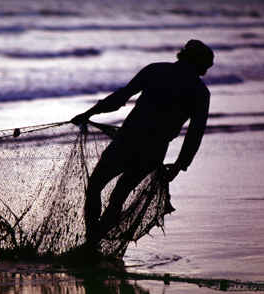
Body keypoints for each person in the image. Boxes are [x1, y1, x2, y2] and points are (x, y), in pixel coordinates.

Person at [71, 39, 214, 245]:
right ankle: (93, 243)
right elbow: (195, 134)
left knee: (95, 186)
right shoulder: (200, 92)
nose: (205, 71)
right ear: (200, 65)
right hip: (153, 151)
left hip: (127, 140)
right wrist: (180, 165)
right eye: (205, 67)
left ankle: (91, 238)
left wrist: (90, 112)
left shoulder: (156, 70)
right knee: (119, 196)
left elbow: (120, 98)